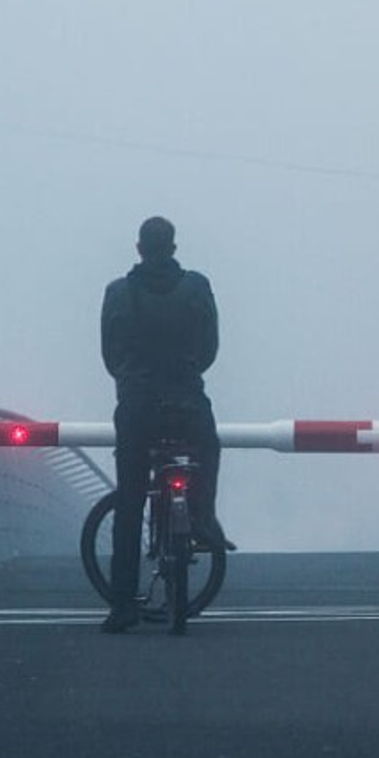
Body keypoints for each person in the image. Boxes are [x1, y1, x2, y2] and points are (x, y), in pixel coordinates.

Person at [99, 216, 231, 634]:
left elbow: (110, 356)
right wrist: (187, 371)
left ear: (139, 248)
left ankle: (123, 605)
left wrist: (132, 379)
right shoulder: (197, 287)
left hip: (138, 406)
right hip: (186, 401)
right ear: (173, 248)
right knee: (207, 448)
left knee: (131, 499)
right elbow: (209, 347)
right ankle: (203, 519)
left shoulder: (118, 293)